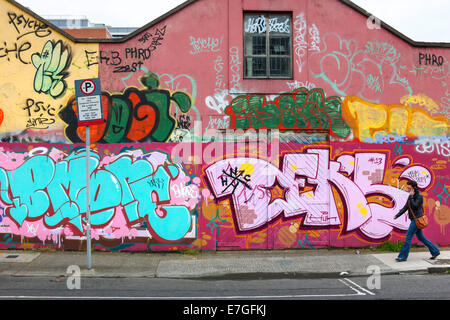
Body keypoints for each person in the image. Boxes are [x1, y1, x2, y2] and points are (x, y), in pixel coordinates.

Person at [393, 180, 440, 262]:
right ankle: (435, 251)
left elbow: (415, 206)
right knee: (421, 237)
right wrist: (397, 215)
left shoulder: (418, 195)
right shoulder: (411, 195)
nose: (407, 187)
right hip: (414, 219)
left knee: (408, 237)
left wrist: (411, 197)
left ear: (413, 187)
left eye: (408, 186)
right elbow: (406, 207)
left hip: (416, 219)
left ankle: (403, 256)